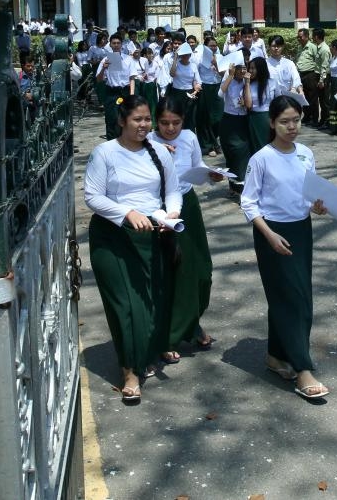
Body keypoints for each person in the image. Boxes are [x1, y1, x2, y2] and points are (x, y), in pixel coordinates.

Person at [84, 95, 183, 403]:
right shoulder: (104, 153)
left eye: (146, 119)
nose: (143, 125)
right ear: (121, 121)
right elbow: (93, 196)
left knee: (148, 302)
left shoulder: (159, 152)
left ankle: (144, 353)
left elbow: (173, 190)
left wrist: (172, 214)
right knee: (125, 305)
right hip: (113, 237)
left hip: (151, 235)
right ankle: (130, 371)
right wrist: (126, 213)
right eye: (137, 119)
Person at [240, 95, 331, 400]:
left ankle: (276, 356)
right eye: (284, 122)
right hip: (272, 234)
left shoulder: (305, 153)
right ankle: (303, 369)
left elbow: (309, 194)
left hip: (301, 230)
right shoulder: (261, 159)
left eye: (296, 120)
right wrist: (269, 235)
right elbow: (248, 202)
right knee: (294, 301)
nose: (292, 127)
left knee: (295, 294)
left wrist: (318, 207)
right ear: (272, 123)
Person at [148, 96, 223, 358]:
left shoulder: (189, 137)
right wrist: (154, 151)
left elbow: (197, 168)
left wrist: (211, 175)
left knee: (201, 270)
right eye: (164, 123)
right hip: (160, 209)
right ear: (156, 122)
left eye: (176, 123)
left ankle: (191, 323)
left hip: (187, 205)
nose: (170, 129)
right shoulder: (147, 141)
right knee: (172, 272)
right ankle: (169, 336)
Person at [96, 33, 137, 140]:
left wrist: (132, 95)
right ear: (110, 44)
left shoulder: (128, 59)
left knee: (127, 117)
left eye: (118, 43)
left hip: (125, 91)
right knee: (112, 118)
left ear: (121, 44)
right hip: (112, 92)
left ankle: (127, 141)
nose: (116, 45)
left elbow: (132, 78)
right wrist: (104, 68)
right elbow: (99, 79)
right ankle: (112, 141)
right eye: (114, 43)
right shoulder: (105, 60)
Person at [219, 54, 250, 194]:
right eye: (239, 68)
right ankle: (233, 185)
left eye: (244, 68)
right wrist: (230, 76)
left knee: (241, 154)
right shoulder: (229, 80)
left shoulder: (247, 81)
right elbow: (220, 94)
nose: (242, 71)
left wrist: (247, 85)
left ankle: (242, 187)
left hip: (243, 120)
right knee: (230, 154)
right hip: (229, 120)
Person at [196, 36, 224, 157]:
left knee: (218, 118)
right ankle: (209, 146)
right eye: (211, 45)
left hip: (217, 87)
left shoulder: (220, 57)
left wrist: (216, 64)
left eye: (215, 45)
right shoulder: (199, 57)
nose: (213, 47)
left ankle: (215, 141)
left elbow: (223, 74)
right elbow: (196, 73)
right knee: (206, 118)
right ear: (205, 46)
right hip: (205, 87)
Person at [244, 57, 278, 154]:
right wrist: (247, 84)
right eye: (249, 68)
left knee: (270, 146)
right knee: (257, 148)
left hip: (269, 117)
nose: (250, 71)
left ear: (261, 68)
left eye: (253, 68)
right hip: (254, 118)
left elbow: (278, 100)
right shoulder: (249, 85)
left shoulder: (272, 82)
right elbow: (248, 105)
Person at [296, 28, 329, 127]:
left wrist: (320, 78)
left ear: (306, 37)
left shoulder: (313, 47)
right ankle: (307, 116)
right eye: (298, 37)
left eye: (300, 37)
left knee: (313, 98)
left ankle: (315, 118)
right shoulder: (299, 47)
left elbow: (319, 62)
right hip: (301, 74)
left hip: (310, 74)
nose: (298, 38)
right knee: (303, 97)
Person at [168, 37, 202, 131]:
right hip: (176, 92)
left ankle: (189, 135)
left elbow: (198, 81)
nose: (185, 56)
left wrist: (195, 91)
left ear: (190, 55)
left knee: (189, 117)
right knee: (177, 115)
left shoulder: (193, 66)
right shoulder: (176, 64)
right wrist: (175, 58)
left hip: (189, 93)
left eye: (187, 54)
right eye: (183, 54)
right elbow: (172, 74)